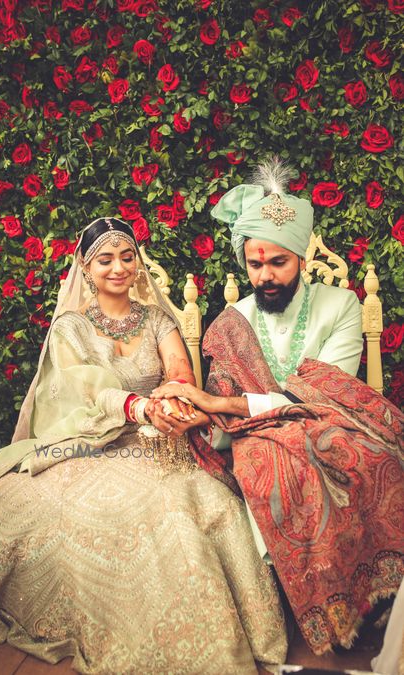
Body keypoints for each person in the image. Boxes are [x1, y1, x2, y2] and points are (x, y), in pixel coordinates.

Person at [0, 217, 287, 674]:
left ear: (137, 264)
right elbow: (81, 392)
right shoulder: (70, 328)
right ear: (85, 269)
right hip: (92, 441)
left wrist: (173, 404)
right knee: (73, 513)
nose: (118, 268)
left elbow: (179, 371)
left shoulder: (157, 320)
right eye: (105, 259)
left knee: (199, 503)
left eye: (127, 257)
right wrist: (139, 408)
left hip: (159, 440)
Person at [151, 160, 404, 657]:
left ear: (301, 258)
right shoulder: (231, 322)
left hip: (332, 421)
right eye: (254, 264)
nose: (265, 276)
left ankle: (368, 602)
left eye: (278, 263)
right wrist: (201, 412)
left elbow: (326, 394)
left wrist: (220, 403)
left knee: (373, 461)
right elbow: (224, 426)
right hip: (251, 439)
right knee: (271, 465)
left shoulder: (341, 305)